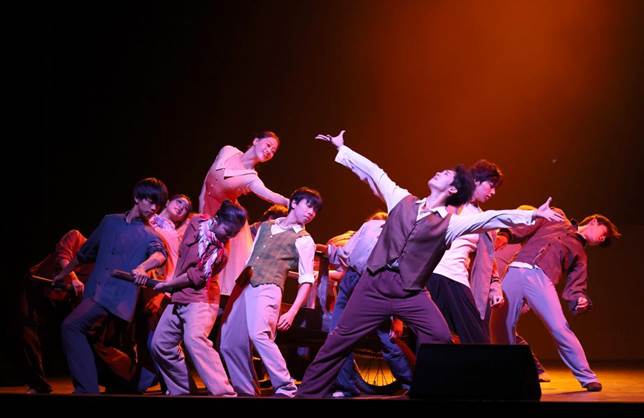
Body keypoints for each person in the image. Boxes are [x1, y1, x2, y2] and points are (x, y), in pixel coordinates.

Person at [298, 130, 564, 397]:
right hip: (374, 286)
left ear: (452, 189)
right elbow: (375, 173)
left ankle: (429, 390)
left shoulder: (451, 224)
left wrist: (532, 215)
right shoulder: (401, 199)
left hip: (410, 291)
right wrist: (342, 149)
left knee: (439, 334)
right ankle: (307, 394)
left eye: (446, 174)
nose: (439, 172)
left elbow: (491, 218)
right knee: (340, 340)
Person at [54, 177, 169, 394]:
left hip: (115, 297)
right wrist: (62, 274)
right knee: (93, 342)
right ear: (137, 198)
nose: (155, 208)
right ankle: (139, 380)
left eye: (159, 204)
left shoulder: (150, 234)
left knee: (71, 327)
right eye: (151, 201)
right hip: (94, 291)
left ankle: (87, 389)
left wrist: (143, 267)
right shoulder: (110, 222)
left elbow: (159, 254)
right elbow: (84, 253)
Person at [493, 212, 621, 392]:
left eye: (605, 239)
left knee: (559, 327)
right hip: (515, 270)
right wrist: (506, 235)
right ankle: (509, 374)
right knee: (500, 325)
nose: (603, 239)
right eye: (604, 233)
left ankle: (587, 377)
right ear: (594, 221)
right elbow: (529, 225)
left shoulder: (580, 255)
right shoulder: (557, 218)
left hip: (540, 278)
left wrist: (580, 300)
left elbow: (576, 287)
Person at [220, 187, 322, 398]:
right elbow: (251, 257)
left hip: (269, 287)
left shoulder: (304, 239)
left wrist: (292, 312)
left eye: (315, 210)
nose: (311, 212)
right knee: (229, 342)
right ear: (294, 203)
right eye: (309, 206)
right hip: (244, 286)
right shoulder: (266, 227)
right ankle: (246, 391)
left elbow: (306, 279)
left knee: (259, 334)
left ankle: (286, 386)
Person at [151, 200, 247, 396]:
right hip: (179, 295)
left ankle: (224, 393)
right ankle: (183, 392)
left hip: (201, 299)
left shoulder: (220, 251)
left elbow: (195, 277)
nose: (229, 237)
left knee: (194, 339)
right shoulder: (196, 222)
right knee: (161, 344)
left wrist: (168, 285)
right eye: (227, 230)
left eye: (233, 234)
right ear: (217, 219)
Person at [324, 211, 413, 397]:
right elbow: (346, 254)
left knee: (385, 337)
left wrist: (397, 318)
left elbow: (398, 275)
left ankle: (410, 383)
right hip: (353, 280)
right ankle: (345, 386)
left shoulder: (393, 236)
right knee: (339, 335)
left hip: (370, 281)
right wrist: (329, 251)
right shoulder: (366, 230)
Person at [198, 132, 289, 297]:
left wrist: (289, 202)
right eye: (268, 145)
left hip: (226, 220)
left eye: (273, 151)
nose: (269, 151)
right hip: (207, 210)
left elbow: (269, 195)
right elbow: (208, 180)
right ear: (255, 141)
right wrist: (201, 203)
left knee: (218, 265)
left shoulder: (251, 178)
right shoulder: (228, 150)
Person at [428, 159, 504, 343]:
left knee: (475, 338)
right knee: (436, 337)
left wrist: (495, 286)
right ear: (476, 180)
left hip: (456, 277)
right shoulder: (451, 201)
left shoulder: (483, 219)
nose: (493, 192)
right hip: (432, 276)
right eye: (491, 185)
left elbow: (488, 259)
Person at [20, 230, 93, 394]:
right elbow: (63, 256)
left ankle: (87, 382)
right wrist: (74, 278)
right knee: (28, 332)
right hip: (37, 285)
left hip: (61, 297)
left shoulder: (97, 261)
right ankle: (37, 383)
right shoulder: (76, 236)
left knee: (76, 332)